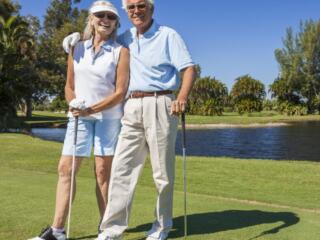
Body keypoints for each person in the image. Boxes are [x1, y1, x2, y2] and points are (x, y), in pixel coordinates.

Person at [63, 0, 195, 239]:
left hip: (161, 102)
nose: (137, 10)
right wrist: (74, 38)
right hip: (131, 105)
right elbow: (100, 41)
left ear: (151, 9)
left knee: (161, 173)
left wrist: (182, 97)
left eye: (141, 5)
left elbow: (188, 68)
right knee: (122, 169)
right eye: (131, 7)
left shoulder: (168, 35)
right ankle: (111, 228)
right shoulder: (124, 39)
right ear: (127, 12)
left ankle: (162, 226)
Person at [28, 1, 129, 240]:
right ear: (91, 19)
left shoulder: (120, 51)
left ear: (115, 23)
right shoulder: (76, 48)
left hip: (108, 118)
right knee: (66, 169)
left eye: (111, 17)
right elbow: (69, 86)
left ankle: (107, 230)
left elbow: (119, 92)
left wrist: (91, 109)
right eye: (100, 15)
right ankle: (57, 230)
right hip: (79, 117)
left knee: (103, 173)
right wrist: (73, 103)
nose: (105, 19)